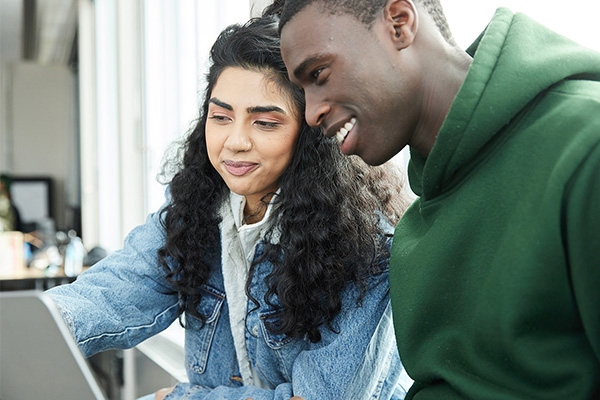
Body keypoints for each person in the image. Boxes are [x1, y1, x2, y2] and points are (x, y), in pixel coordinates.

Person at [46, 15, 414, 400]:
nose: (234, 141)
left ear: (311, 134)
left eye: (265, 123)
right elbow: (114, 291)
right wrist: (34, 326)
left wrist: (179, 399)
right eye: (220, 117)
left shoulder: (366, 245)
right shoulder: (196, 207)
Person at [270, 0, 600, 398]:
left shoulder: (584, 146)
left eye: (318, 73)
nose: (310, 113)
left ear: (399, 22)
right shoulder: (413, 229)